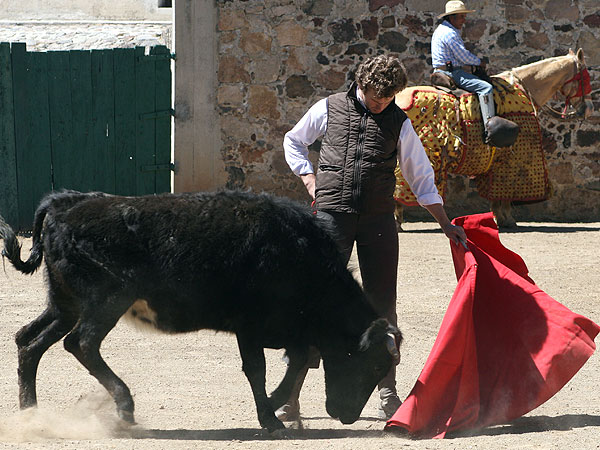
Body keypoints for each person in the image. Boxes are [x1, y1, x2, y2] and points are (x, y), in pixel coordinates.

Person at [281, 54, 467, 421]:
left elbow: (420, 176)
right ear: (359, 84)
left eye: (387, 99)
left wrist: (445, 223)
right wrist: (309, 179)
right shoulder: (329, 108)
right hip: (331, 216)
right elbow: (293, 141)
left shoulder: (399, 122)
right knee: (316, 303)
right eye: (374, 97)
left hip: (378, 220)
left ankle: (387, 393)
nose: (380, 104)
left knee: (383, 305)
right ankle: (290, 395)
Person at [431, 1, 505, 145]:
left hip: (444, 69)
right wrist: (479, 62)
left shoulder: (442, 29)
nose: (464, 20)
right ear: (452, 18)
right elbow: (463, 56)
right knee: (486, 87)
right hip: (452, 73)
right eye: (461, 17)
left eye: (464, 16)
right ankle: (490, 129)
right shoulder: (450, 33)